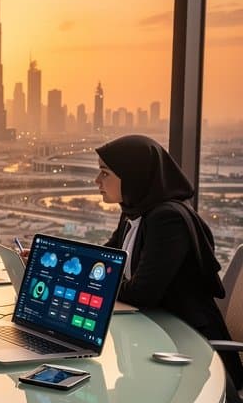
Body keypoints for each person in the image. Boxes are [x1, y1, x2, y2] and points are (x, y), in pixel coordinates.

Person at [95, 134, 243, 388]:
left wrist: (92, 279)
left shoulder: (166, 220)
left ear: (133, 175)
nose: (96, 181)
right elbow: (106, 258)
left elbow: (143, 293)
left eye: (105, 173)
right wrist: (56, 260)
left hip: (188, 347)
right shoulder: (134, 212)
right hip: (153, 333)